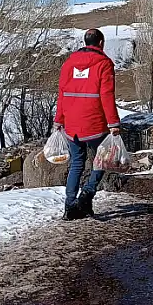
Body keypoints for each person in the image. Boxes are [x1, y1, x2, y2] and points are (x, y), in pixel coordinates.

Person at [54, 28, 122, 220]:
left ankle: (70, 206)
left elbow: (62, 93)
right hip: (94, 123)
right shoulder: (104, 64)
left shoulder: (68, 64)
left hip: (71, 125)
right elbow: (107, 95)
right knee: (102, 160)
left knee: (76, 164)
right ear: (101, 43)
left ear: (85, 42)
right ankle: (87, 194)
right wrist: (113, 123)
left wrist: (59, 119)